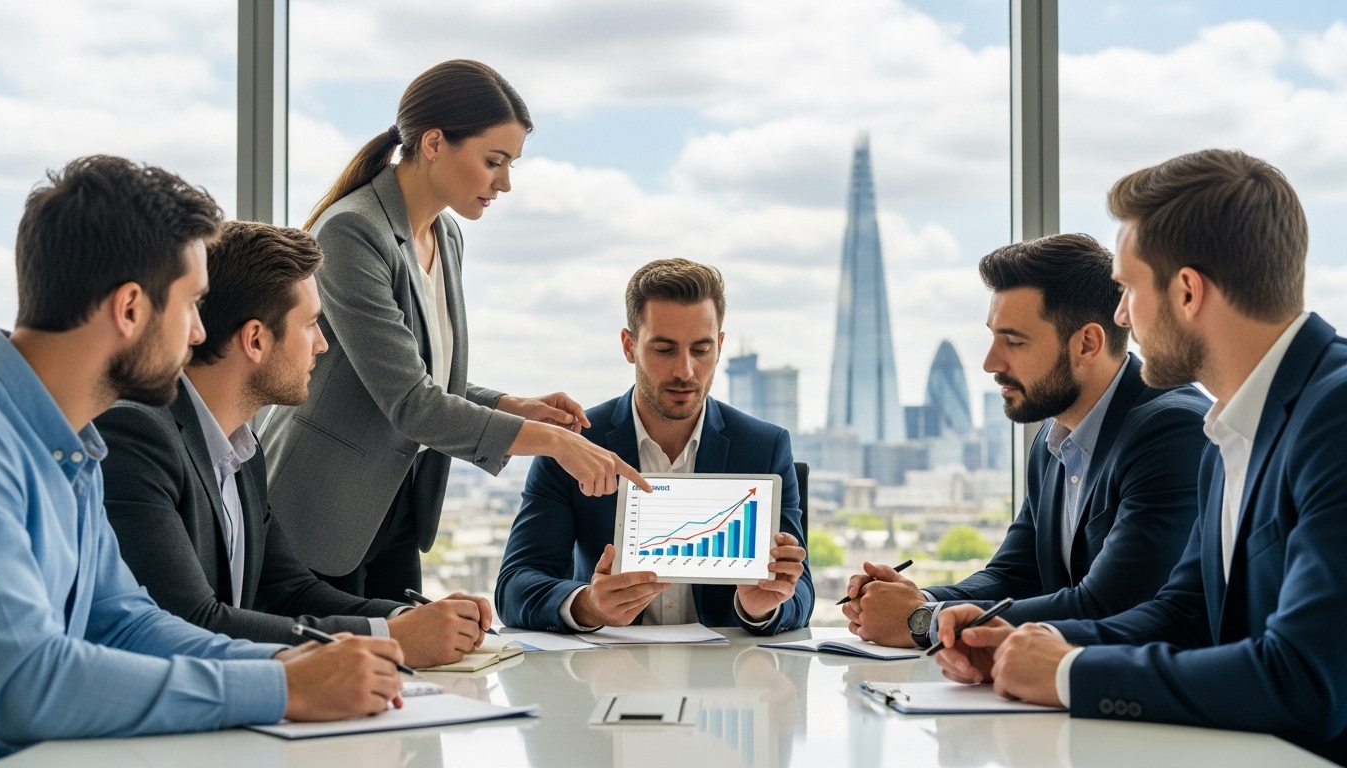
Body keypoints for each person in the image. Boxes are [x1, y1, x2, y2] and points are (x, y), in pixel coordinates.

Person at [0, 157, 410, 767]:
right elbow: (22, 683)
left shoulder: (70, 446)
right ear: (131, 308)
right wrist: (282, 688)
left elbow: (127, 624)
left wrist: (295, 662)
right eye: (191, 304)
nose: (196, 334)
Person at [931, 149, 1347, 764]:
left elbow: (1307, 678)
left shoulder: (1334, 417)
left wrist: (1072, 674)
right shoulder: (1226, 434)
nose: (1121, 313)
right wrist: (1023, 641)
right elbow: (1184, 614)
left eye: (1126, 289)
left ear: (1186, 292)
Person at [261, 59, 647, 600]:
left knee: (413, 673)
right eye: (494, 161)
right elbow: (411, 402)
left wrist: (511, 404)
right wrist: (554, 443)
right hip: (322, 506)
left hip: (394, 501)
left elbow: (421, 376)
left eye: (511, 164)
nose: (506, 183)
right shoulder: (353, 231)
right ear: (435, 142)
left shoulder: (446, 235)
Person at [95, 221, 491, 668]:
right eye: (310, 325)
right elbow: (189, 623)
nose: (322, 344)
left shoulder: (242, 450)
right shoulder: (137, 435)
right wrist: (391, 637)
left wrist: (413, 618)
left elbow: (290, 590)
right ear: (256, 339)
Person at [841, 234, 1209, 648]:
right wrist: (915, 599)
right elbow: (1014, 575)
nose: (990, 363)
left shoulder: (1170, 431)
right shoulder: (1054, 440)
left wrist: (924, 620)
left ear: (1087, 343)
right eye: (994, 337)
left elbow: (1111, 606)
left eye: (1013, 342)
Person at [496, 259, 813, 633]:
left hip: (728, 676)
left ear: (720, 347)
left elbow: (801, 589)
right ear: (630, 346)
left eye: (701, 350)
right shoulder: (575, 444)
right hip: (606, 674)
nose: (685, 371)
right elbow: (514, 586)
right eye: (664, 349)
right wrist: (589, 606)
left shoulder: (764, 447)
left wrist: (761, 607)